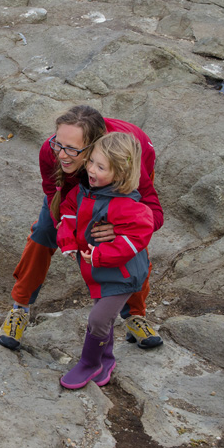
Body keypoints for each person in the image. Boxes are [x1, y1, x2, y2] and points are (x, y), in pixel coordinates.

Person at [0, 105, 164, 351]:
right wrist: (70, 232)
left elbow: (153, 215)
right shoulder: (51, 150)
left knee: (131, 248)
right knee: (43, 232)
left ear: (95, 147)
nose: (62, 155)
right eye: (58, 143)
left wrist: (121, 231)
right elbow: (54, 193)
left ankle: (135, 315)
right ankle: (20, 308)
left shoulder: (123, 157)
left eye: (72, 149)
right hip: (74, 193)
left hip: (116, 180)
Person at [55, 132, 154, 388]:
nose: (90, 169)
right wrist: (67, 239)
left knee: (98, 319)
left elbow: (137, 237)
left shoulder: (127, 205)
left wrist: (99, 255)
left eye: (100, 167)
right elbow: (68, 211)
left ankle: (89, 363)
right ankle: (106, 359)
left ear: (120, 174)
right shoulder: (85, 192)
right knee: (104, 317)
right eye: (91, 162)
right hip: (98, 271)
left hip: (122, 276)